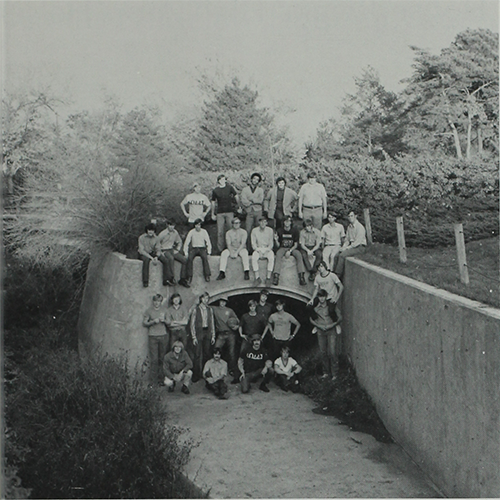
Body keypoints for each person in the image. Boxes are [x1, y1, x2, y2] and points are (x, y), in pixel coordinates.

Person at [310, 289, 342, 379]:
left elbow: (340, 318)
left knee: (332, 352)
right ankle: (326, 373)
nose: (322, 299)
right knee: (323, 352)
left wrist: (331, 325)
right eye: (320, 296)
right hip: (320, 331)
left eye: (323, 296)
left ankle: (335, 374)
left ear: (326, 297)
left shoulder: (331, 306)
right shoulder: (316, 307)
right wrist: (318, 325)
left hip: (331, 330)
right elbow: (311, 319)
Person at [143, 294, 169, 387]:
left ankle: (161, 379)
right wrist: (153, 322)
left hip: (163, 336)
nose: (157, 303)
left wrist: (164, 321)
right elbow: (145, 323)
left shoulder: (164, 310)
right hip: (153, 336)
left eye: (158, 301)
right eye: (155, 301)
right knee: (154, 359)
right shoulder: (149, 311)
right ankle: (153, 382)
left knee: (162, 359)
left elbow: (169, 322)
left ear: (160, 302)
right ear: (153, 301)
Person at [272, 216, 306, 286]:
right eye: (286, 221)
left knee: (299, 255)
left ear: (291, 222)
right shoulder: (279, 230)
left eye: (289, 221)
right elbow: (278, 246)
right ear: (283, 222)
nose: (287, 223)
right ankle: (276, 276)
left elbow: (296, 244)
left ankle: (301, 276)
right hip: (282, 247)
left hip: (292, 248)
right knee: (278, 254)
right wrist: (276, 240)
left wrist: (290, 251)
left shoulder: (295, 230)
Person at [190, 292, 216, 382]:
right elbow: (192, 324)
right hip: (199, 333)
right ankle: (196, 374)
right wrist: (194, 337)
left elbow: (212, 323)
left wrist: (213, 336)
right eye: (205, 298)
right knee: (197, 354)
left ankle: (205, 373)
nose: (206, 300)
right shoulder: (196, 309)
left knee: (207, 353)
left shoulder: (210, 309)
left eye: (207, 299)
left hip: (207, 332)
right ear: (201, 299)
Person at [333, 211, 367, 279]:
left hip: (359, 247)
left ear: (355, 216)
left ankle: (338, 276)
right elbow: (347, 239)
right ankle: (333, 275)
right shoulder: (349, 227)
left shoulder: (360, 227)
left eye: (351, 216)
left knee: (342, 255)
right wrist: (344, 247)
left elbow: (357, 242)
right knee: (336, 255)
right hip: (352, 246)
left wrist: (347, 248)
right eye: (349, 216)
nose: (350, 218)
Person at [157, 220, 190, 287]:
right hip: (164, 250)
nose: (172, 227)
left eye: (173, 225)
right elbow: (157, 243)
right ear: (167, 225)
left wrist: (177, 249)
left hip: (172, 249)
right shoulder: (162, 233)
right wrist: (160, 252)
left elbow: (179, 241)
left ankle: (182, 279)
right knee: (170, 259)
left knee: (184, 260)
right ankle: (171, 278)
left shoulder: (175, 232)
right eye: (170, 225)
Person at [211, 174, 239, 254]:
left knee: (231, 229)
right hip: (220, 213)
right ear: (218, 181)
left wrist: (238, 206)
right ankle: (220, 250)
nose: (223, 181)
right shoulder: (215, 190)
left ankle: (232, 247)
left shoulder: (230, 188)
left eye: (224, 179)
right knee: (220, 232)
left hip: (229, 212)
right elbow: (213, 202)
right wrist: (213, 214)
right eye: (221, 179)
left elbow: (236, 196)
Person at [213, 296, 239, 376]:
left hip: (230, 334)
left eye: (224, 301)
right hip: (221, 334)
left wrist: (236, 326)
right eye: (221, 301)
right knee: (216, 350)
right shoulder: (214, 309)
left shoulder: (229, 310)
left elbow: (237, 320)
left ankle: (231, 369)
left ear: (226, 302)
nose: (222, 303)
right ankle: (215, 368)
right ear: (219, 301)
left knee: (231, 353)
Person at [183, 218, 212, 283]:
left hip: (202, 248)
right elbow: (186, 242)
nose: (197, 226)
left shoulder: (204, 232)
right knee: (190, 258)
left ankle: (207, 275)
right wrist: (186, 253)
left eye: (199, 225)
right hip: (194, 248)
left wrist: (209, 252)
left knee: (205, 258)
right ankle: (189, 276)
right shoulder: (191, 232)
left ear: (201, 225)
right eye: (196, 225)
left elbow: (208, 242)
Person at [138, 223, 165, 287]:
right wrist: (151, 258)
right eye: (149, 230)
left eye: (152, 230)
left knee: (165, 260)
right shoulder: (141, 237)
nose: (150, 232)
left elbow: (158, 249)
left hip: (152, 253)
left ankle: (166, 279)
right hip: (143, 254)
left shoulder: (156, 238)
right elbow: (142, 250)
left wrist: (156, 257)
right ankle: (145, 281)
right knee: (146, 261)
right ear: (146, 230)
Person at [250, 216, 275, 285]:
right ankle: (257, 278)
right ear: (258, 222)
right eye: (261, 222)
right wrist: (258, 250)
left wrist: (267, 250)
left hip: (267, 249)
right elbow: (253, 244)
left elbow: (271, 244)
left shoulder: (270, 230)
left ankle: (268, 278)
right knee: (254, 257)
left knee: (271, 256)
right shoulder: (254, 230)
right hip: (258, 249)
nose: (263, 223)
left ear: (266, 223)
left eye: (264, 222)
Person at [240, 172, 265, 240]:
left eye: (257, 180)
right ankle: (248, 247)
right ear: (251, 179)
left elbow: (260, 200)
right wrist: (251, 203)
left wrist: (252, 200)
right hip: (249, 211)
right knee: (248, 229)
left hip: (258, 211)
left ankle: (259, 245)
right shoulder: (245, 189)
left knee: (259, 228)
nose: (255, 181)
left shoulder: (260, 190)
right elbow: (243, 200)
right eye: (254, 179)